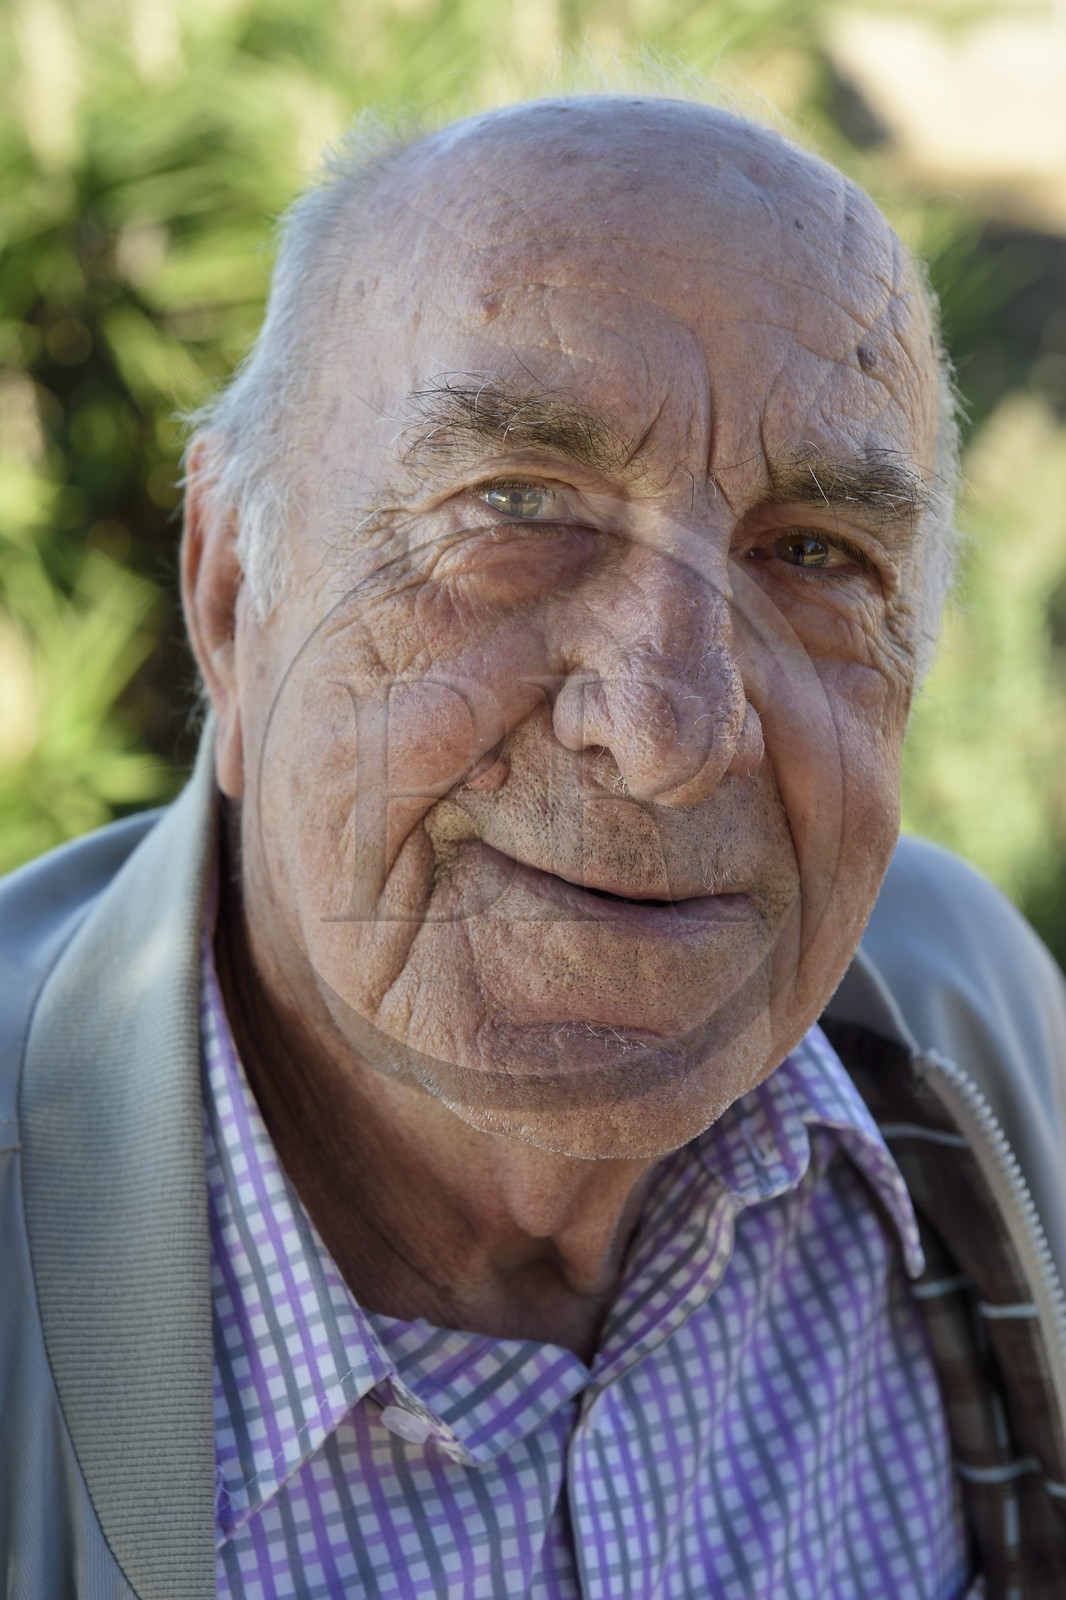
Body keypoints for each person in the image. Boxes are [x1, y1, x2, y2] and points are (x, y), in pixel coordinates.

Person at [2, 91, 1066, 1600]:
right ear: (233, 594)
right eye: (513, 504)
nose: (662, 725)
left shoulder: (969, 1027)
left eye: (814, 555)